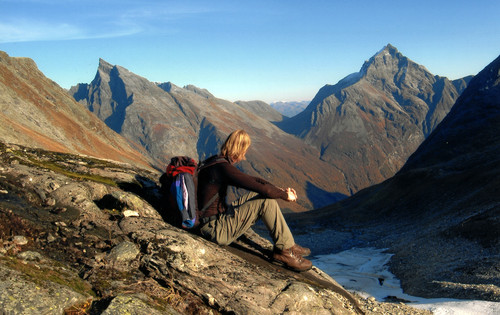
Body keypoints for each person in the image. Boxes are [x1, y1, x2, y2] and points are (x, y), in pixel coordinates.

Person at [197, 129, 312, 272]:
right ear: (240, 149)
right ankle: (284, 253)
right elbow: (257, 186)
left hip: (212, 221)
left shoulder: (215, 162)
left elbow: (253, 180)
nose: (244, 154)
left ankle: (288, 244)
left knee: (255, 196)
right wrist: (285, 196)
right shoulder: (223, 168)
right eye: (245, 149)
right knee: (266, 201)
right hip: (214, 230)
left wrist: (280, 190)